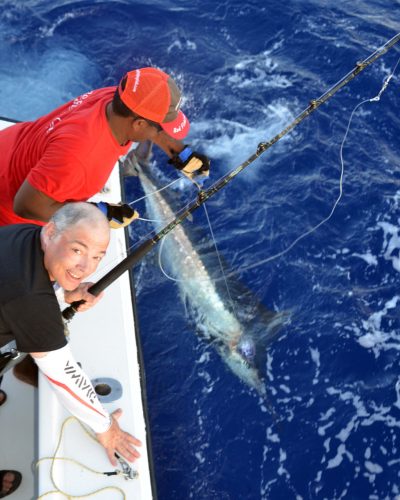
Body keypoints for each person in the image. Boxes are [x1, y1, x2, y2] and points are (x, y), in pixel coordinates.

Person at [0, 202, 142, 498]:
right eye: (78, 250)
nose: (86, 267)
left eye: (97, 257)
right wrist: (105, 428)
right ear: (51, 232)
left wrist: (65, 291)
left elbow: (25, 285)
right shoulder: (30, 299)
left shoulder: (28, 235)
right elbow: (62, 373)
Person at [0, 67, 210, 229]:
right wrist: (96, 213)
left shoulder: (117, 98)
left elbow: (150, 125)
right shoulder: (81, 156)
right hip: (9, 210)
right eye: (161, 128)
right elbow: (26, 206)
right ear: (138, 124)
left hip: (10, 146)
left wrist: (181, 153)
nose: (164, 134)